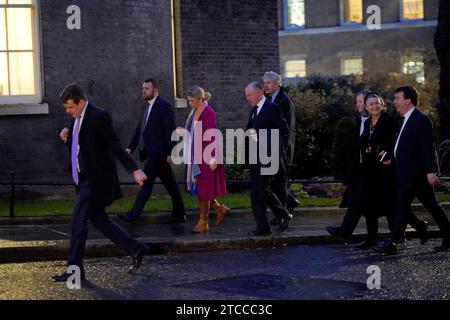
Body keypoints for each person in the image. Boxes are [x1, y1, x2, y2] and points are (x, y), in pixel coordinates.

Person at [54, 84, 148, 282]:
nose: (68, 111)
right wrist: (67, 141)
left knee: (78, 223)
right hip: (83, 180)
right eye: (66, 108)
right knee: (99, 220)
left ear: (81, 102)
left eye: (70, 107)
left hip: (96, 181)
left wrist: (134, 169)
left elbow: (115, 145)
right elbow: (82, 149)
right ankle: (136, 248)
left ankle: (74, 271)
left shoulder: (98, 116)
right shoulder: (76, 119)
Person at [379, 86, 450, 254]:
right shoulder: (405, 119)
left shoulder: (420, 119)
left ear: (408, 100)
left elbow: (428, 146)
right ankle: (442, 234)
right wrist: (388, 155)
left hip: (416, 174)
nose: (395, 102)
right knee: (427, 206)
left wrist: (432, 171)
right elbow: (401, 146)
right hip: (406, 173)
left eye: (397, 98)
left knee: (407, 206)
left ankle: (394, 242)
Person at [118, 79, 186, 224]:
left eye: (146, 88)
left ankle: (133, 215)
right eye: (143, 88)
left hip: (159, 154)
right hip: (151, 153)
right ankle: (180, 213)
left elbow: (170, 131)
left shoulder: (164, 106)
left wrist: (171, 152)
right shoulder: (144, 107)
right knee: (171, 184)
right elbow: (140, 129)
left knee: (146, 183)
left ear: (155, 90)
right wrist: (131, 147)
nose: (143, 90)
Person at [244, 82, 291, 236]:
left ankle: (283, 214)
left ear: (259, 93)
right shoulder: (254, 111)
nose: (247, 98)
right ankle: (263, 227)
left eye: (249, 95)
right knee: (256, 193)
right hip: (256, 158)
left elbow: (284, 133)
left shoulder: (272, 109)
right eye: (246, 95)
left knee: (262, 190)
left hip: (268, 157)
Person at [325, 89, 371, 242]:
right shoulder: (359, 122)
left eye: (360, 102)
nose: (357, 105)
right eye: (357, 102)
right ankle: (347, 232)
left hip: (374, 171)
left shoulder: (376, 122)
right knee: (359, 203)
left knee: (386, 206)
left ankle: (408, 230)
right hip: (361, 171)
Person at [184, 87, 229, 233]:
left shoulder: (208, 112)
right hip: (196, 155)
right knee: (202, 188)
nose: (190, 103)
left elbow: (212, 135)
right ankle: (219, 208)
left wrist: (213, 158)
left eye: (192, 101)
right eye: (189, 101)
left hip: (205, 156)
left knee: (204, 189)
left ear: (200, 99)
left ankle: (203, 222)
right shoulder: (196, 111)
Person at [262, 71, 300, 225]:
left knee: (279, 182)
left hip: (281, 148)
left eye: (268, 83)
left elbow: (286, 128)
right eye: (264, 83)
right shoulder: (271, 99)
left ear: (278, 84)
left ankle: (283, 214)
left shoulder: (285, 101)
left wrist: (281, 149)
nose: (265, 85)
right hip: (272, 146)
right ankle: (290, 203)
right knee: (273, 182)